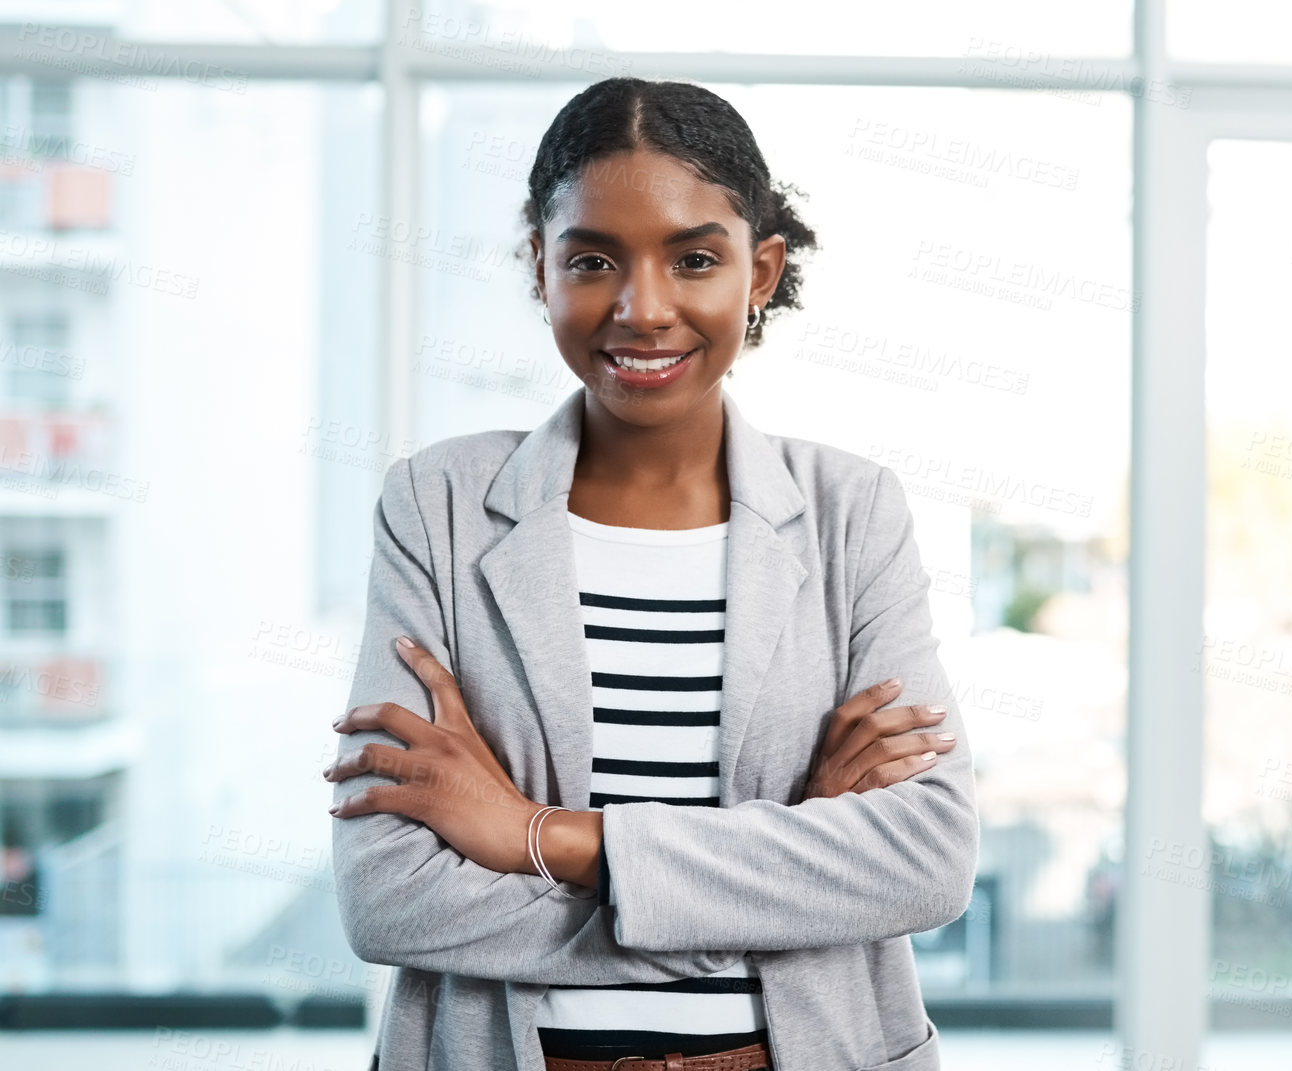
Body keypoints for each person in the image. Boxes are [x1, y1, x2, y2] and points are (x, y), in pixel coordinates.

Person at [325, 76, 977, 1071]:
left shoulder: (854, 515)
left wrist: (540, 836)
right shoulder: (438, 505)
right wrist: (789, 867)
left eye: (695, 259)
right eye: (592, 259)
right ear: (538, 266)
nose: (643, 309)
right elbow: (390, 895)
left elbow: (927, 860)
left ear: (760, 272)